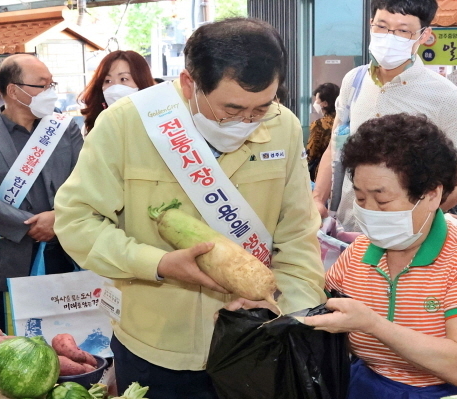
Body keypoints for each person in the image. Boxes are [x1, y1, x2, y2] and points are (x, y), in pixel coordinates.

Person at [54, 17, 326, 399]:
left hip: (255, 342)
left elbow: (298, 235)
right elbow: (77, 220)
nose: (246, 122)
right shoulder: (127, 124)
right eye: (231, 109)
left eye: (261, 107)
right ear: (189, 84)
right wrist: (158, 264)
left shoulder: (284, 127)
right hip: (156, 344)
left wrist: (288, 312)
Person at [305, 113, 457, 398]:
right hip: (369, 387)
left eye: (383, 200)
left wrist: (373, 324)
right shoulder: (358, 255)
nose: (369, 212)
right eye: (361, 199)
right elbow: (315, 311)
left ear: (431, 195)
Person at [312, 0, 457, 232]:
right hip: (347, 227)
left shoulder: (448, 97)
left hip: (407, 236)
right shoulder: (354, 80)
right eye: (381, 26)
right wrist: (318, 198)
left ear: (423, 35)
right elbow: (335, 145)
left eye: (403, 31)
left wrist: (415, 222)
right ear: (370, 25)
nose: (390, 37)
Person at [0, 54, 84, 333]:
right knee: (16, 342)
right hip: (10, 257)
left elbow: (87, 181)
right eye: (41, 85)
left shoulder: (64, 129)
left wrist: (58, 218)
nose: (50, 92)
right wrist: (32, 225)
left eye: (51, 84)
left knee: (72, 334)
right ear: (13, 90)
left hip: (67, 249)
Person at [80, 50, 155, 134]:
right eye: (107, 81)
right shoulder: (94, 126)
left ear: (142, 81)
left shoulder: (158, 121)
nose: (115, 87)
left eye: (124, 79)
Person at [307, 83, 340, 181]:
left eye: (317, 100)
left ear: (325, 103)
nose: (315, 103)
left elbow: (311, 153)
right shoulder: (346, 121)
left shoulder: (319, 124)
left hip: (323, 171)